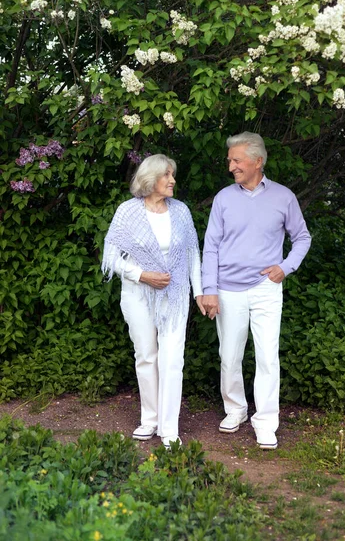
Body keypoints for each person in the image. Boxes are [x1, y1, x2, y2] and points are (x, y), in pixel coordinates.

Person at [201, 132, 311, 450]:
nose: (231, 166)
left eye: (236, 160)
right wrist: (209, 289)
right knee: (230, 355)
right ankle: (235, 410)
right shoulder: (224, 199)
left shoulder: (283, 197)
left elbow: (302, 237)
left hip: (266, 287)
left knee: (266, 357)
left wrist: (286, 267)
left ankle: (265, 422)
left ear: (257, 161)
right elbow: (211, 248)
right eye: (230, 160)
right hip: (227, 290)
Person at [102, 154, 205, 449]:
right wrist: (142, 275)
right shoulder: (127, 212)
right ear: (151, 179)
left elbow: (192, 255)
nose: (173, 180)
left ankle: (169, 428)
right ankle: (150, 419)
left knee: (172, 359)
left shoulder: (181, 212)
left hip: (175, 296)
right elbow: (111, 256)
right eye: (167, 175)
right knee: (146, 355)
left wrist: (198, 291)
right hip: (137, 294)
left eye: (173, 175)